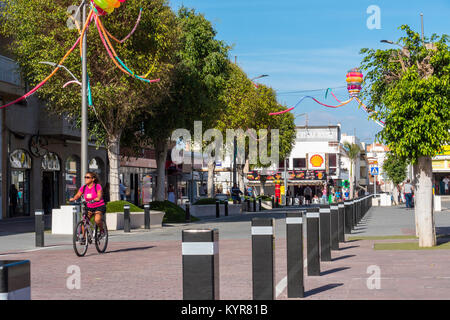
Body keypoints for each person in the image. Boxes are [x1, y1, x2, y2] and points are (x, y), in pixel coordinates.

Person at [69, 172, 106, 241]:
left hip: (99, 206)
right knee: (84, 221)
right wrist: (74, 198)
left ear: (93, 179)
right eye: (85, 177)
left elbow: (99, 195)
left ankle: (102, 231)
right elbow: (78, 195)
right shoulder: (84, 187)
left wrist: (97, 199)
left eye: (88, 177)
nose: (86, 179)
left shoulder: (97, 186)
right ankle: (84, 237)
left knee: (97, 220)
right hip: (89, 207)